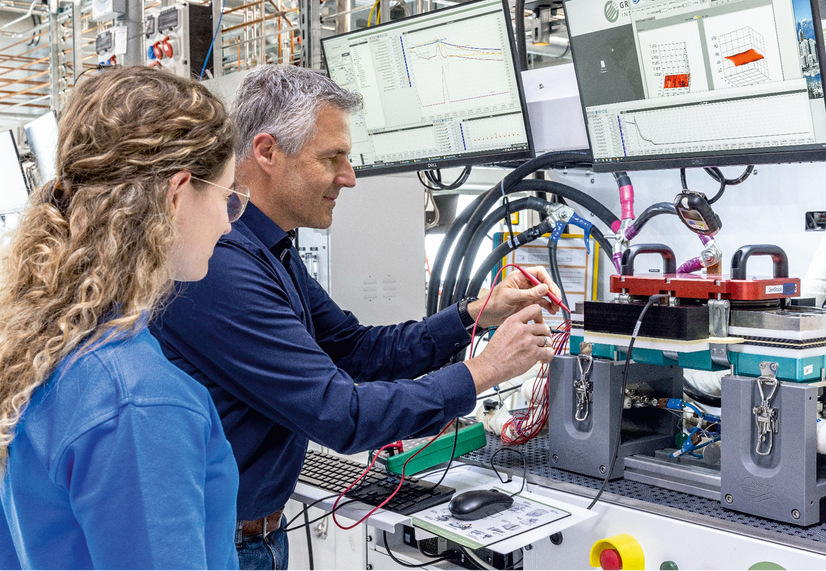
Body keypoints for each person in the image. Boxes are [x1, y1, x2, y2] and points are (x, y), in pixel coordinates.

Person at [150, 64, 558, 570]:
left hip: (254, 535)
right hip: (223, 545)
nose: (349, 176)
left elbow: (354, 347)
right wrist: (486, 370)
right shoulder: (220, 264)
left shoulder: (269, 247)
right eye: (333, 158)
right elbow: (341, 414)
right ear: (267, 152)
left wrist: (475, 314)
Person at [0, 66, 245, 569]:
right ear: (177, 193)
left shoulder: (39, 346)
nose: (227, 221)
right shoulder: (138, 401)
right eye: (226, 196)